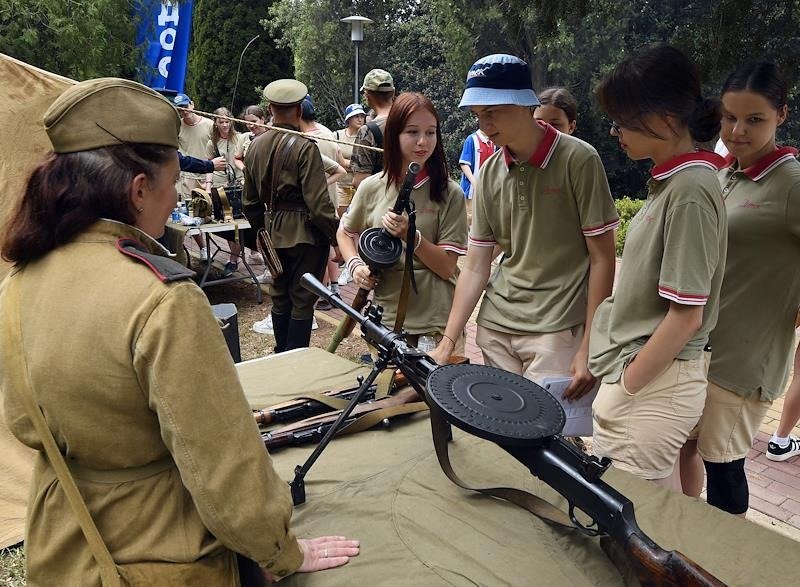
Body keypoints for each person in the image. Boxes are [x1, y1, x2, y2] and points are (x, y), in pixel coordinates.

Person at [0, 78, 357, 585]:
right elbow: (224, 472)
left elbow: (21, 418)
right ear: (139, 190)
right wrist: (282, 550)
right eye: (171, 184)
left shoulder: (17, 286)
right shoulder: (161, 300)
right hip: (164, 554)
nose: (173, 202)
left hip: (61, 545)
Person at [429, 54, 618, 401]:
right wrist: (446, 343)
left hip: (557, 331)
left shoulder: (579, 159)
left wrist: (590, 346)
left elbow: (603, 259)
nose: (483, 124)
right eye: (477, 115)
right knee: (506, 437)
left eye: (492, 112)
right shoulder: (487, 172)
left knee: (548, 440)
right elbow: (475, 264)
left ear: (524, 102)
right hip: (496, 325)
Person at [588, 45, 727, 491]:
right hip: (655, 378)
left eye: (624, 120)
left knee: (637, 520)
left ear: (666, 118)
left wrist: (627, 386)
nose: (615, 131)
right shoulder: (674, 180)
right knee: (657, 521)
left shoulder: (689, 188)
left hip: (657, 383)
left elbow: (687, 315)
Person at [679, 62, 800, 513]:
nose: (738, 131)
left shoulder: (790, 184)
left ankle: (728, 568)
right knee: (681, 450)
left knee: (724, 468)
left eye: (754, 120)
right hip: (698, 348)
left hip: (744, 364)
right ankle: (687, 546)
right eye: (730, 117)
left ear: (781, 115)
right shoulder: (722, 171)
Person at [337, 92, 467, 349]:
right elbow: (345, 232)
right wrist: (355, 266)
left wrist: (412, 235)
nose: (423, 142)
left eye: (431, 132)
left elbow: (447, 268)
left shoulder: (449, 192)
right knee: (387, 390)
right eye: (412, 132)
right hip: (386, 324)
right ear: (394, 135)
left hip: (436, 328)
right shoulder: (371, 187)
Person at [243, 79, 340, 352]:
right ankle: (296, 360)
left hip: (271, 232)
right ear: (298, 110)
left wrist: (262, 232)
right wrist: (336, 239)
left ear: (271, 109)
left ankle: (281, 354)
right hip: (304, 236)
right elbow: (319, 205)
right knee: (302, 298)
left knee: (280, 295)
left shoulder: (255, 147)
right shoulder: (305, 147)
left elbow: (249, 202)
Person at [175, 93, 218, 260]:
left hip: (208, 174)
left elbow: (216, 149)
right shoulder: (177, 126)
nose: (184, 112)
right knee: (190, 216)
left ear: (192, 105)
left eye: (185, 107)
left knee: (212, 215)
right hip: (187, 177)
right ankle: (203, 249)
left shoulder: (209, 124)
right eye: (180, 109)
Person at [206, 107, 247, 277]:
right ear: (215, 123)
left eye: (227, 121)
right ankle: (233, 258)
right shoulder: (212, 143)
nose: (224, 125)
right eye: (221, 122)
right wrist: (208, 186)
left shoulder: (240, 138)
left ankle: (234, 259)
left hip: (240, 185)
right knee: (228, 224)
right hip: (221, 187)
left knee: (239, 224)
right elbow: (208, 165)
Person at [351, 69, 395, 189]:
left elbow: (360, 182)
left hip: (384, 200)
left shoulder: (367, 131)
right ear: (393, 92)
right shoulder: (411, 121)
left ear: (367, 95)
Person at [458, 128, 496, 221]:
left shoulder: (493, 143)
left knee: (484, 219)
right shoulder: (472, 139)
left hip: (488, 190)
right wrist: (474, 182)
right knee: (469, 218)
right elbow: (464, 164)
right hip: (470, 190)